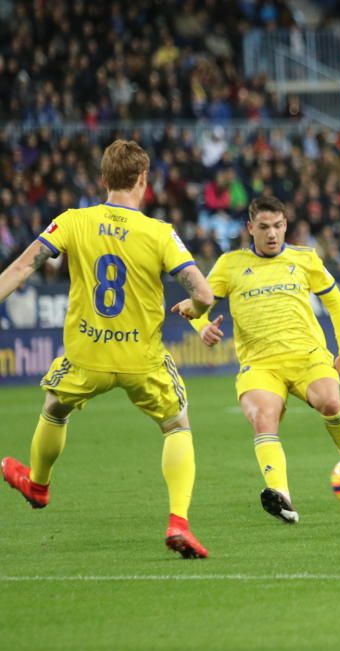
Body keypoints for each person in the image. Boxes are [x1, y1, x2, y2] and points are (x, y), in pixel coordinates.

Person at [0, 139, 214, 558]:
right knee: (177, 426)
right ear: (143, 180)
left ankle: (38, 484)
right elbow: (203, 292)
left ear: (102, 180)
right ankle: (178, 522)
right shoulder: (160, 233)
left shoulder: (73, 221)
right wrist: (195, 306)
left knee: (54, 408)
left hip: (87, 356)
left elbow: (25, 265)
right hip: (142, 360)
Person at [171, 195, 340, 524]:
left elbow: (335, 303)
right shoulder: (230, 264)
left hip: (308, 357)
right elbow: (197, 303)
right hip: (260, 365)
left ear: (286, 225)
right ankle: (282, 496)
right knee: (264, 417)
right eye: (264, 227)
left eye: (278, 226)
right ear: (250, 228)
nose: (272, 233)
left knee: (331, 403)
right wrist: (202, 327)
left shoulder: (306, 259)